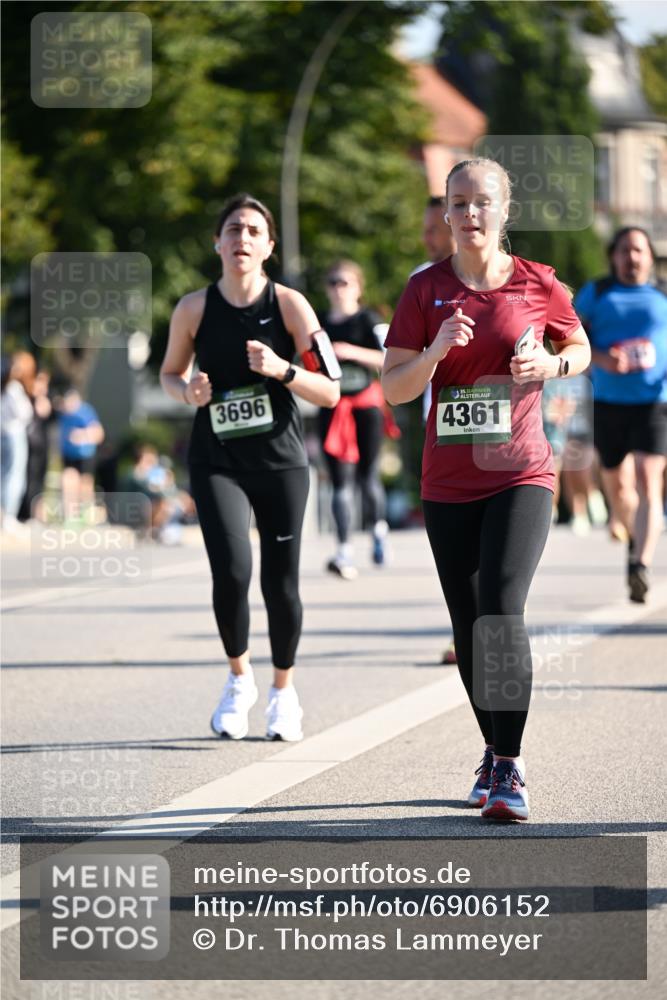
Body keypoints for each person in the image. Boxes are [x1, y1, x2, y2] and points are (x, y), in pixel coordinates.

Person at [382, 157, 590, 821]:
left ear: (503, 211)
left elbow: (579, 347)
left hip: (521, 471)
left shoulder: (537, 282)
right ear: (445, 214)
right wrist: (434, 352)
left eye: (481, 202)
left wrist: (551, 364)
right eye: (458, 203)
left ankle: (509, 763)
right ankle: (492, 749)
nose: (469, 214)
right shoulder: (425, 290)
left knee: (501, 607)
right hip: (448, 481)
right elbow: (394, 388)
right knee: (469, 626)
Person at [160, 193, 339, 742]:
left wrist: (283, 368)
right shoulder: (193, 308)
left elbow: (331, 390)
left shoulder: (291, 305)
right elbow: (170, 373)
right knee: (233, 572)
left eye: (254, 231)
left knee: (280, 582)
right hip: (216, 460)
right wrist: (186, 391)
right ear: (217, 243)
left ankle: (284, 692)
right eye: (234, 229)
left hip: (280, 461)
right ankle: (240, 681)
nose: (243, 238)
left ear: (269, 246)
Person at [574, 227, 667, 603]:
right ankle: (631, 536)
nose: (632, 257)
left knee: (648, 479)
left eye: (639, 250)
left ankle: (639, 565)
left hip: (655, 401)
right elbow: (568, 338)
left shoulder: (663, 294)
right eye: (625, 250)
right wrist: (602, 358)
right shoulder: (596, 293)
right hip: (608, 402)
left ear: (650, 256)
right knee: (619, 487)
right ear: (613, 256)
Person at [318, 260, 392, 578]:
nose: (338, 288)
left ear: (358, 288)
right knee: (340, 482)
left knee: (368, 476)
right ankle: (343, 549)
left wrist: (350, 351)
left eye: (344, 282)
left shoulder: (368, 319)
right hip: (332, 407)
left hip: (366, 407)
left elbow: (390, 357)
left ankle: (378, 531)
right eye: (333, 282)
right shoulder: (319, 323)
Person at [57, 387, 104, 522]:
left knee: (85, 484)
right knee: (68, 480)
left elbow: (99, 433)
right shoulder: (62, 413)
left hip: (85, 454)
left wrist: (82, 435)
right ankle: (70, 514)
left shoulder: (86, 412)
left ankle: (86, 513)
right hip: (68, 454)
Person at [1, 355, 33, 534]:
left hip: (3, 433)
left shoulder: (4, 387)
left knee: (4, 475)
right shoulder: (14, 388)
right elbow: (25, 413)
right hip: (14, 434)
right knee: (14, 476)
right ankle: (9, 516)